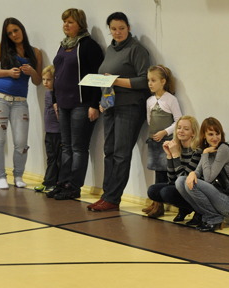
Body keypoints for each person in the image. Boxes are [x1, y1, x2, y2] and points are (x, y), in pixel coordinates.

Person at [89, 11, 149, 212]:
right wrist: (102, 99)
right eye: (113, 29)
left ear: (129, 28)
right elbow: (104, 78)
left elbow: (144, 80)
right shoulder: (110, 49)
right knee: (109, 151)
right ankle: (107, 194)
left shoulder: (137, 50)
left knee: (121, 153)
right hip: (110, 106)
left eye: (121, 28)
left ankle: (113, 198)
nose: (118, 32)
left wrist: (115, 80)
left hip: (130, 107)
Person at [48, 8, 104, 201]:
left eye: (70, 22)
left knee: (78, 147)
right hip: (63, 103)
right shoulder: (63, 46)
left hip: (82, 104)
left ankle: (74, 186)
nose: (66, 25)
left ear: (80, 24)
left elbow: (97, 77)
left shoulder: (88, 46)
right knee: (66, 146)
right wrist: (55, 100)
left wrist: (94, 104)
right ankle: (62, 182)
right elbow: (57, 73)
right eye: (64, 22)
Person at [0, 17, 42, 190]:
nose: (13, 35)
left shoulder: (35, 52)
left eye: (15, 30)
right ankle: (0, 176)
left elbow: (38, 81)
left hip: (20, 102)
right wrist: (8, 72)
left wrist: (31, 71)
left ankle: (18, 175)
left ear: (22, 29)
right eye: (9, 33)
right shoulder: (2, 48)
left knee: (21, 142)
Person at [176, 117, 229, 231]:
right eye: (210, 134)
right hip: (218, 196)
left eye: (217, 134)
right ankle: (209, 216)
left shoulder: (223, 149)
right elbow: (198, 171)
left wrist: (204, 154)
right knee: (180, 181)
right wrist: (193, 174)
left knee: (194, 184)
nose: (215, 138)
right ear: (204, 135)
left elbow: (208, 179)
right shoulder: (208, 149)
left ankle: (214, 218)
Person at [142, 64, 182, 218]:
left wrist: (165, 132)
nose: (150, 83)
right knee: (157, 172)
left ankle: (160, 204)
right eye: (148, 80)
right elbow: (149, 119)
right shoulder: (150, 100)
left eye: (153, 80)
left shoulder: (170, 99)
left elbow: (178, 120)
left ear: (163, 81)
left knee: (164, 173)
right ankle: (155, 202)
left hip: (165, 142)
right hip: (154, 141)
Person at [147, 115, 201, 222]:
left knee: (166, 192)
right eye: (179, 128)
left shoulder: (197, 151)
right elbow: (172, 180)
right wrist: (169, 155)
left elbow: (183, 180)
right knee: (152, 190)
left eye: (186, 129)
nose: (181, 131)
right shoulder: (177, 147)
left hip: (194, 188)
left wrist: (175, 154)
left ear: (193, 133)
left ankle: (196, 209)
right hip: (180, 185)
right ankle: (185, 208)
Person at [34, 65, 59, 193]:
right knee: (51, 157)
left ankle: (51, 182)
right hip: (49, 131)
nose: (45, 82)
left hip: (57, 132)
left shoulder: (57, 94)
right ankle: (50, 181)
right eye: (43, 79)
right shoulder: (47, 93)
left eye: (48, 80)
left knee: (55, 158)